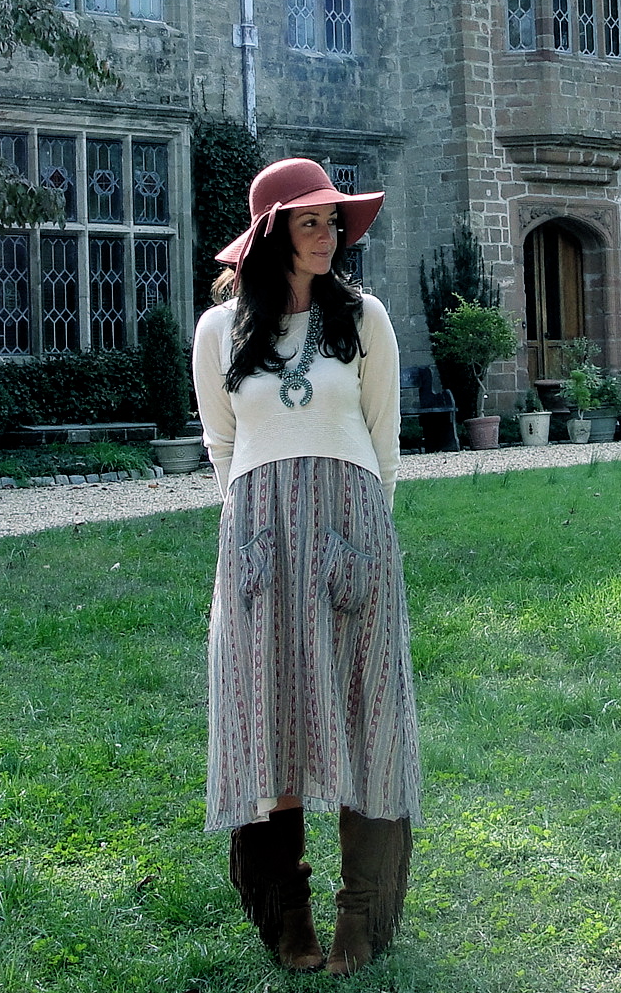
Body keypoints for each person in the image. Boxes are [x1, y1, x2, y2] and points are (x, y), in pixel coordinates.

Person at [192, 157, 419, 974]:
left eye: (333, 222)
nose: (329, 236)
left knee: (366, 711)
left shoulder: (364, 319)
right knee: (267, 716)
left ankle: (362, 911)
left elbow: (384, 440)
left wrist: (361, 533)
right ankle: (287, 913)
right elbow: (222, 444)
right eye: (310, 222)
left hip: (350, 533)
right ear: (270, 235)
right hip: (260, 541)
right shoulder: (219, 332)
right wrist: (262, 518)